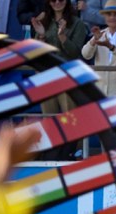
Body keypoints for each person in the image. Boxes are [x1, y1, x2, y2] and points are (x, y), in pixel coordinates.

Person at [32, 0, 86, 160]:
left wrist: (62, 37)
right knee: (50, 119)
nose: (57, 2)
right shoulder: (43, 23)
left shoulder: (77, 23)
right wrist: (41, 36)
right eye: (53, 0)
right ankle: (52, 155)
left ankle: (71, 153)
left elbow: (75, 52)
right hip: (47, 78)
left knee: (70, 118)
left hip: (67, 77)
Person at [81, 0, 116, 111]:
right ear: (104, 17)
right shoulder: (100, 34)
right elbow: (86, 55)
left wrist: (111, 47)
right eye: (109, 14)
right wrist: (93, 41)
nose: (112, 17)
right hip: (102, 96)